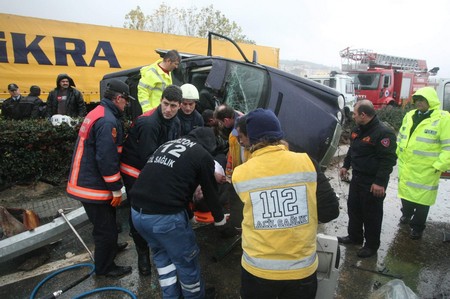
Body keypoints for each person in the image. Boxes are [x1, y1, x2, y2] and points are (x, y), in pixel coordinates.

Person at [231, 108, 340, 299]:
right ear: (279, 134)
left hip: (258, 271)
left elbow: (237, 220)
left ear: (251, 139)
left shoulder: (240, 174)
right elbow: (330, 211)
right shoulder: (307, 163)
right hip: (301, 271)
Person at [131, 127, 238, 299]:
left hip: (137, 213)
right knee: (187, 262)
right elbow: (210, 193)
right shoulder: (202, 155)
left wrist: (188, 211)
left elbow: (172, 181)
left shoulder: (167, 145)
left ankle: (172, 296)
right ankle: (195, 296)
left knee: (163, 259)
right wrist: (221, 222)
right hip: (165, 219)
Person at [66, 79, 133, 277]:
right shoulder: (107, 121)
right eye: (126, 101)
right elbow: (106, 157)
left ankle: (110, 248)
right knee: (105, 230)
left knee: (108, 223)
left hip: (90, 180)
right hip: (92, 185)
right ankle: (105, 268)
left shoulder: (101, 112)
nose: (127, 105)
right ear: (119, 98)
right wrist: (115, 187)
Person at [120, 85, 182, 276]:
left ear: (179, 106)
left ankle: (158, 245)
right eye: (165, 104)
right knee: (138, 210)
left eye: (173, 106)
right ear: (161, 101)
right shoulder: (149, 124)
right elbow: (148, 158)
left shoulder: (175, 121)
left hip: (152, 166)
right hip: (134, 170)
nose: (168, 110)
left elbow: (172, 148)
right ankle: (142, 253)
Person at [338, 99, 397, 258]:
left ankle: (371, 245)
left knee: (371, 214)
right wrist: (345, 165)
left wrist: (379, 183)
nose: (353, 116)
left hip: (372, 182)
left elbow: (388, 160)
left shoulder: (383, 133)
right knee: (354, 208)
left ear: (363, 115)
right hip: (357, 178)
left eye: (355, 114)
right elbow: (352, 149)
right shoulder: (358, 129)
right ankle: (355, 237)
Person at [397, 87, 450, 239]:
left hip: (427, 169)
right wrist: (398, 153)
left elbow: (448, 146)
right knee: (406, 194)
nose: (419, 103)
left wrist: (439, 166)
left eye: (422, 100)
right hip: (407, 165)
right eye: (417, 100)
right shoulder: (410, 115)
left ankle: (418, 227)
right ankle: (406, 214)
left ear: (430, 101)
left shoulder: (443, 119)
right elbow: (401, 135)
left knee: (422, 200)